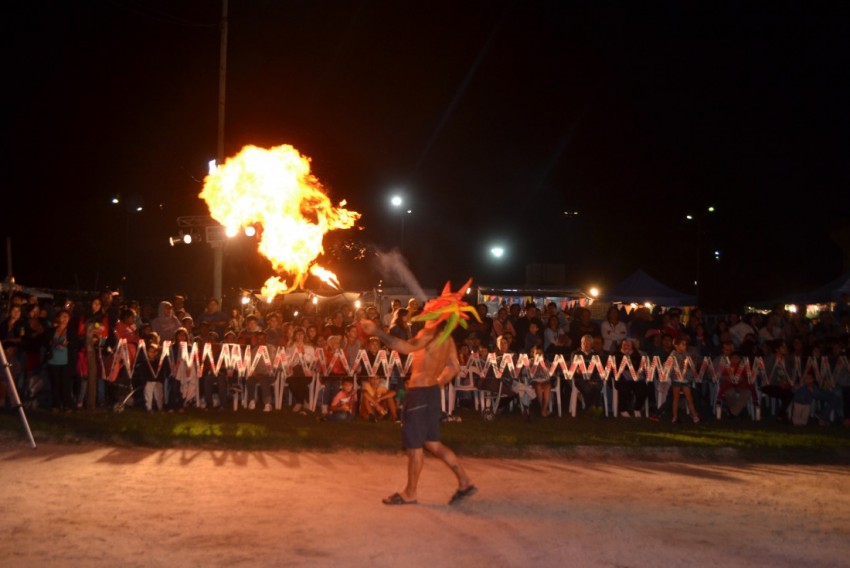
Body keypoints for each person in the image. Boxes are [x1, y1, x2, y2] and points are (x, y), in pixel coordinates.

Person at [362, 280, 477, 506]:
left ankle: (410, 493)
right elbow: (454, 367)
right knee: (432, 443)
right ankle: (465, 482)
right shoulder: (448, 339)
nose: (429, 303)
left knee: (415, 446)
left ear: (440, 310)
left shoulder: (430, 332)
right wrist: (438, 384)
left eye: (434, 303)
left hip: (420, 393)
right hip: (431, 393)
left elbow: (405, 347)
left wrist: (376, 331)